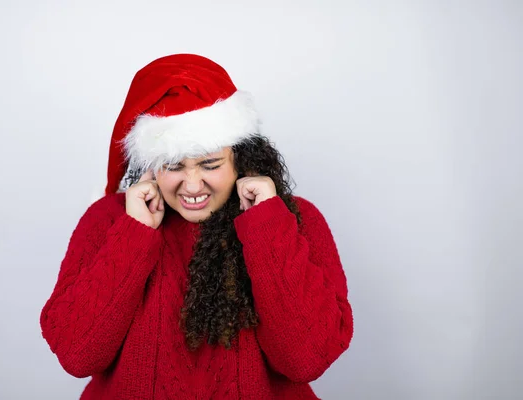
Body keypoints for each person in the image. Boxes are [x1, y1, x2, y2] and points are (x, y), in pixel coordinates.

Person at [40, 53, 353, 399]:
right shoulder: (109, 220)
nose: (191, 185)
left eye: (210, 164)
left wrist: (265, 227)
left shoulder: (292, 218)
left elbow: (305, 361)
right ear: (151, 166)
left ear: (240, 158)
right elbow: (77, 355)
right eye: (174, 165)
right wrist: (134, 234)